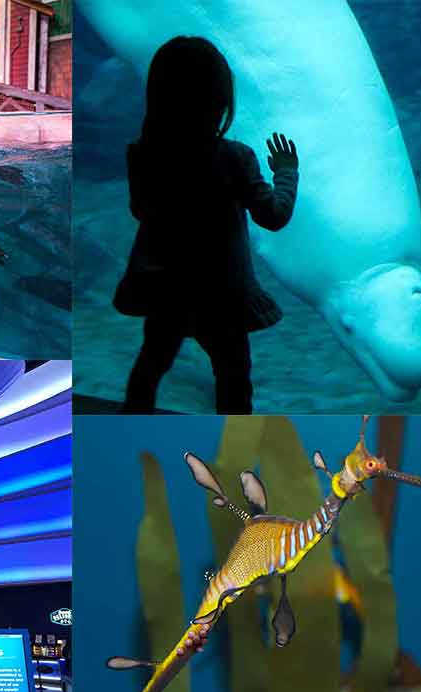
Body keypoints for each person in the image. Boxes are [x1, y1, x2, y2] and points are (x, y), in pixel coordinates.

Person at [117, 36, 301, 415]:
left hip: (165, 288)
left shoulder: (143, 155)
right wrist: (287, 173)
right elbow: (273, 215)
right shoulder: (236, 158)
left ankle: (129, 427)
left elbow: (141, 209)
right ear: (221, 101)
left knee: (150, 367)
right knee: (234, 380)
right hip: (222, 296)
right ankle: (233, 458)